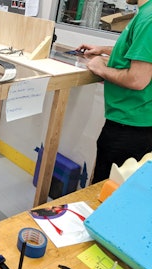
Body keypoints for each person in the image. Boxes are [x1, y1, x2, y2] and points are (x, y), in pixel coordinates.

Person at [77, 0, 152, 184]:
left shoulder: (149, 18)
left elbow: (137, 79)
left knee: (105, 192)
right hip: (132, 123)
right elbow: (136, 51)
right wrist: (102, 50)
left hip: (130, 129)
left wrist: (100, 68)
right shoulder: (145, 13)